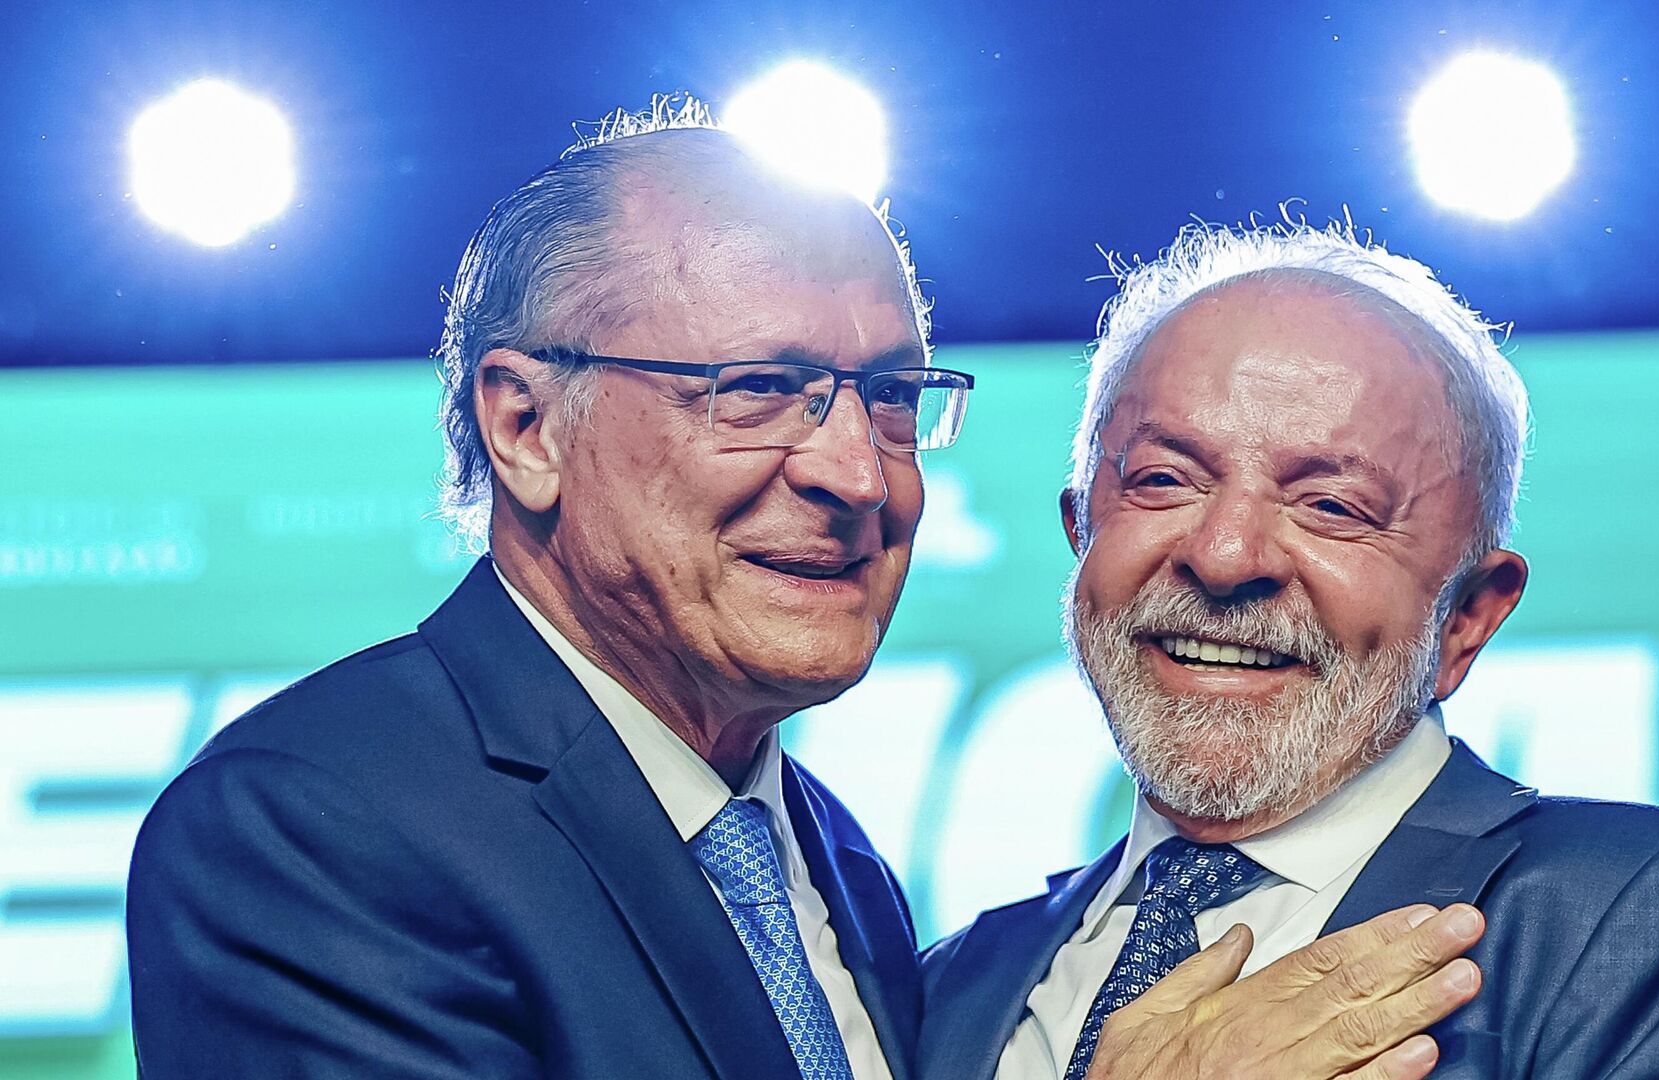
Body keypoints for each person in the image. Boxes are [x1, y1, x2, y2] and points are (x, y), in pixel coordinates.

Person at [124, 101, 1477, 1079]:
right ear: (526, 426)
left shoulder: (828, 862)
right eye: (759, 389)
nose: (854, 471)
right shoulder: (317, 826)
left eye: (888, 396)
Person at [917, 220, 1659, 1080]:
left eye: (1333, 505)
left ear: (1468, 617)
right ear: (1081, 535)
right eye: (1165, 480)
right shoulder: (943, 991)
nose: (1225, 554)